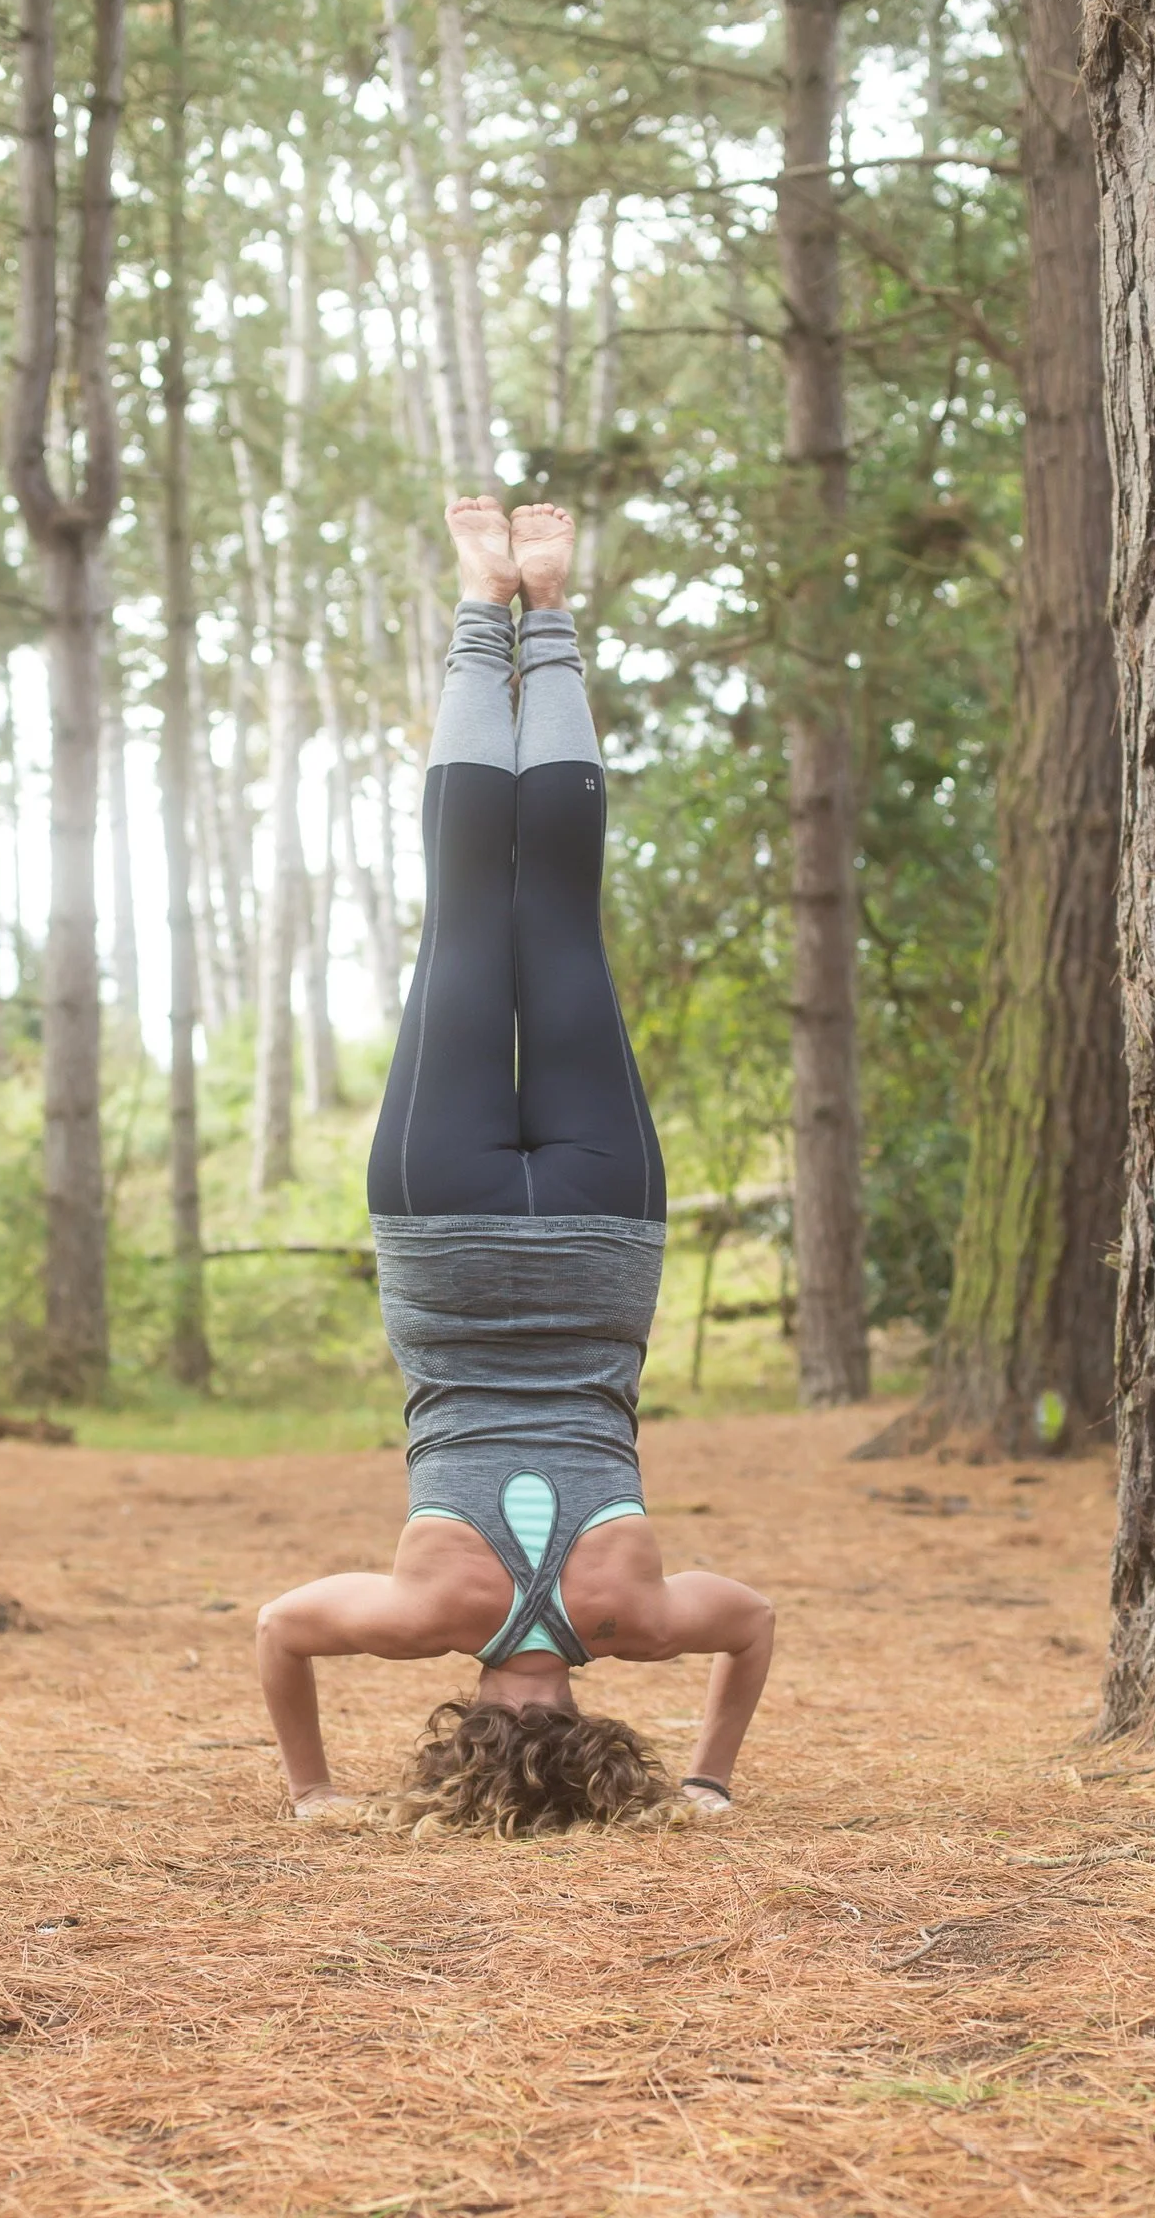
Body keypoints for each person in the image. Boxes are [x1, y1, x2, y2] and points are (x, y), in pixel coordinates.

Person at [256, 495, 773, 1835]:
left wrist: (711, 1778)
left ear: (595, 1733)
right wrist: (310, 1792)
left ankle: (544, 606)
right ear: (468, 1726)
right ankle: (489, 606)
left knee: (562, 916)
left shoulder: (636, 1619)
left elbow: (755, 1627)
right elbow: (279, 1633)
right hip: (445, 1239)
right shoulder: (426, 1617)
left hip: (602, 1245)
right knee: (470, 906)